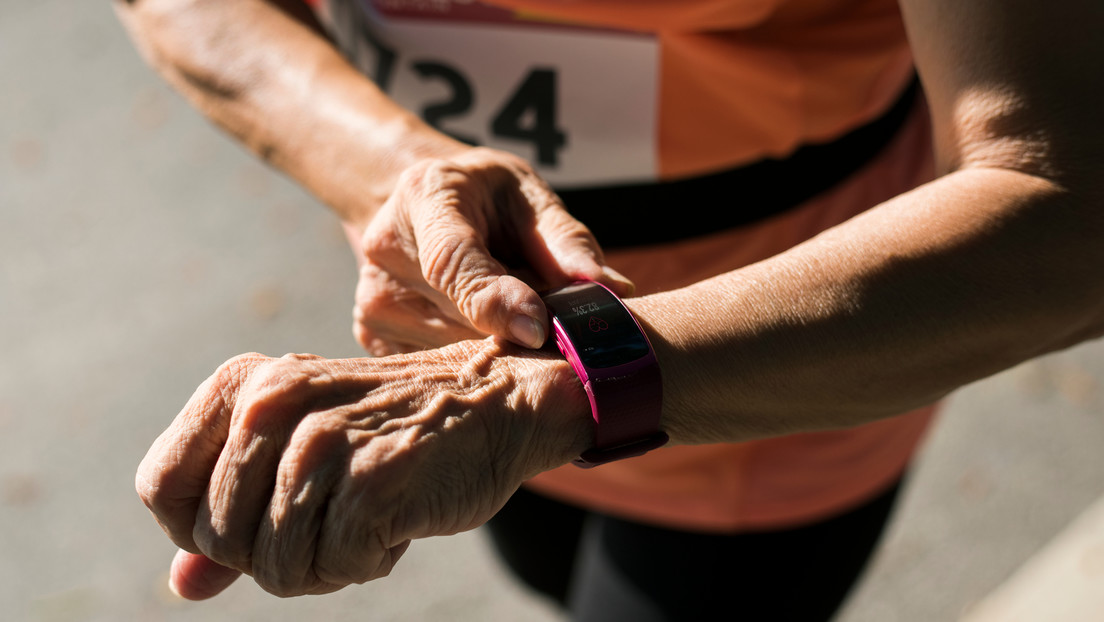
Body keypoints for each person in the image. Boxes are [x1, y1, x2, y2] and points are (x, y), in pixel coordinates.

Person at [117, 0, 1104, 619]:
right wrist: (396, 169)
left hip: (781, 379)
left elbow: (1070, 208)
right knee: (551, 573)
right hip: (455, 353)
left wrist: (559, 392)